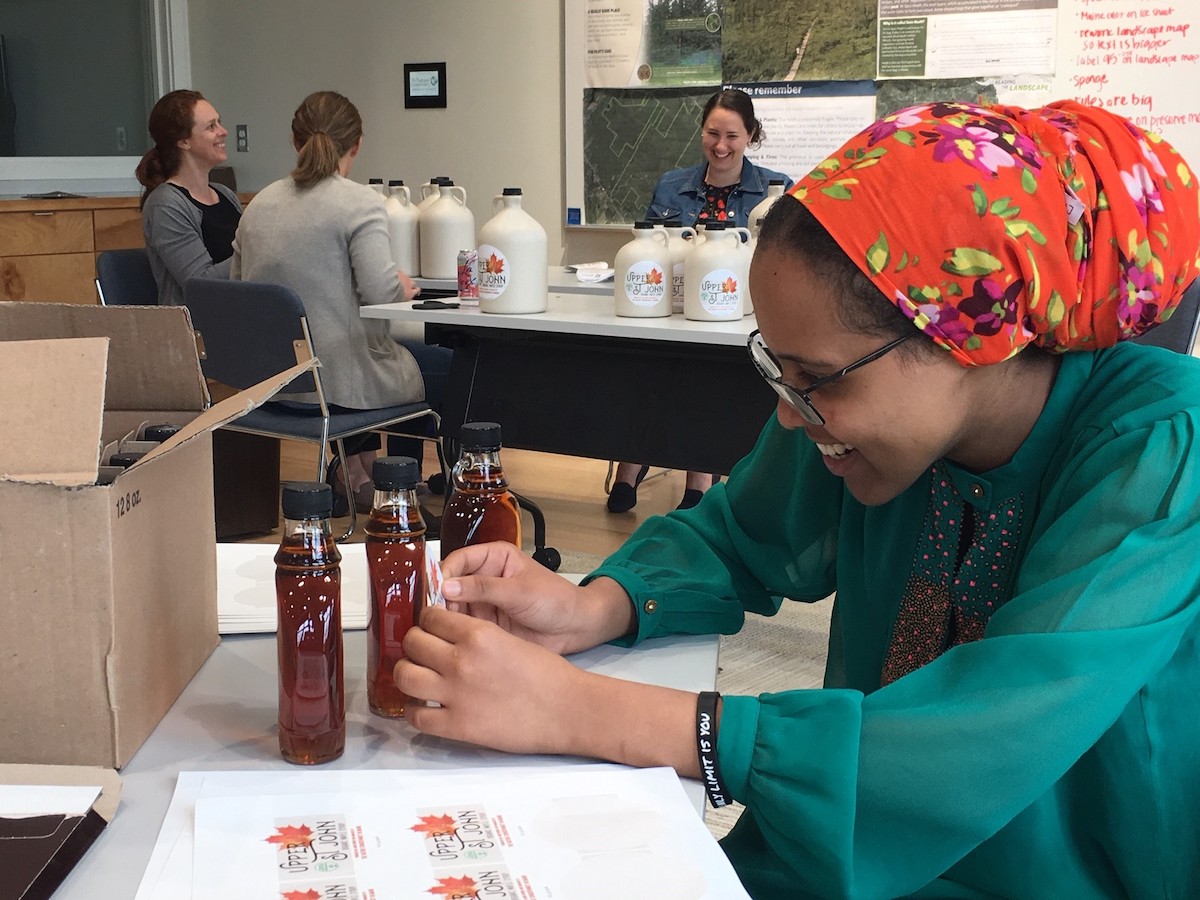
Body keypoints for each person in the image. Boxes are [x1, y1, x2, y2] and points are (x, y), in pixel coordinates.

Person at [394, 100, 1200, 897]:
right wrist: (592, 605)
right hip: (839, 851)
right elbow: (737, 533)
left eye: (812, 378)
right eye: (776, 369)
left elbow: (986, 737)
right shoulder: (850, 415)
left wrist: (581, 712)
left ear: (970, 338)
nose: (789, 412)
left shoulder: (1158, 448)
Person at [232, 91, 439, 517]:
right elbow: (381, 293)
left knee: (354, 349)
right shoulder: (360, 202)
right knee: (445, 364)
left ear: (294, 141)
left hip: (271, 388)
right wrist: (402, 285)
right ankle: (403, 485)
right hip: (336, 389)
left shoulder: (258, 205)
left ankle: (360, 471)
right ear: (358, 144)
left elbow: (240, 291)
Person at [610, 88, 793, 513]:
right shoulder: (672, 186)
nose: (721, 146)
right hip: (672, 311)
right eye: (713, 133)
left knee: (703, 375)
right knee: (648, 368)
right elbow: (652, 248)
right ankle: (631, 462)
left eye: (732, 135)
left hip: (735, 315)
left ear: (751, 135)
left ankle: (699, 478)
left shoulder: (775, 191)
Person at [137, 90, 242, 306]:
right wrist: (255, 252)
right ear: (184, 141)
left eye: (219, 123)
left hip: (236, 314)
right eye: (211, 126)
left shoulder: (225, 194)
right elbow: (200, 284)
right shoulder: (165, 205)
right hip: (196, 330)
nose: (223, 132)